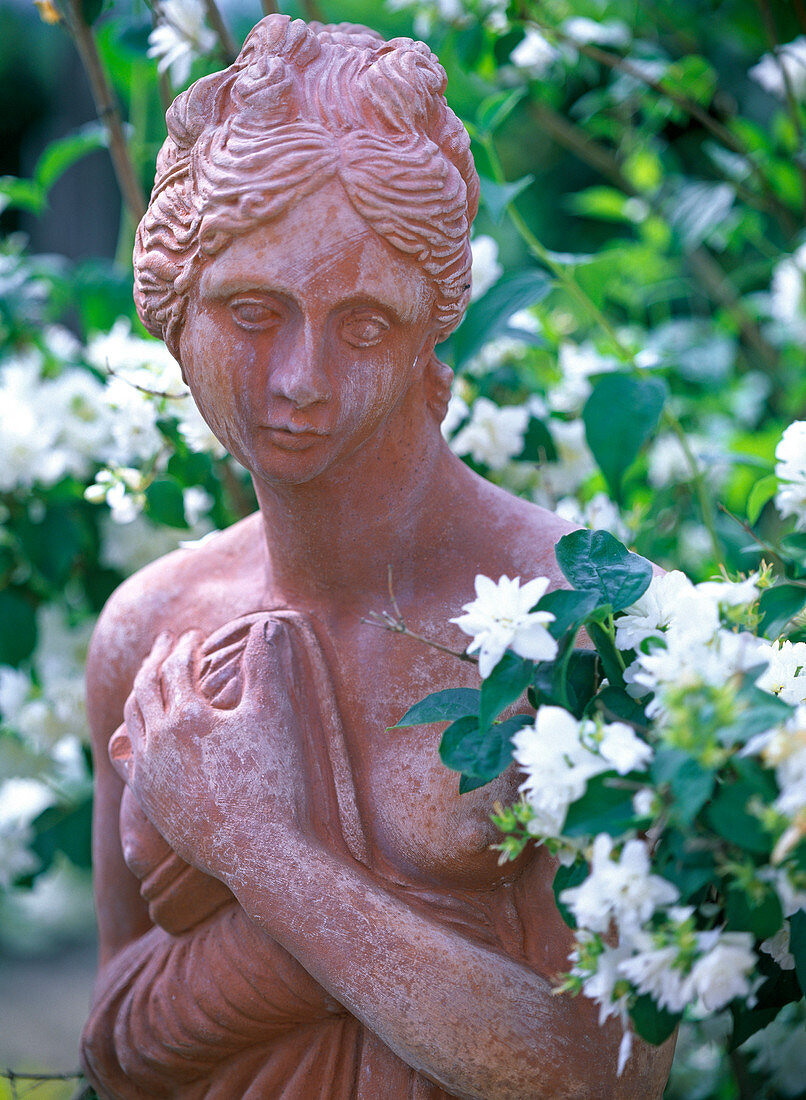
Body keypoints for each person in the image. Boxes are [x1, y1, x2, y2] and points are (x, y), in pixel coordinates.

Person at [80, 15, 674, 1099]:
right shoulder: (148, 628)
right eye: (252, 311)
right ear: (170, 308)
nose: (299, 376)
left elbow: (606, 1074)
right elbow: (110, 1047)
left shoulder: (566, 620)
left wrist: (256, 851)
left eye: (361, 327)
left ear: (424, 333)